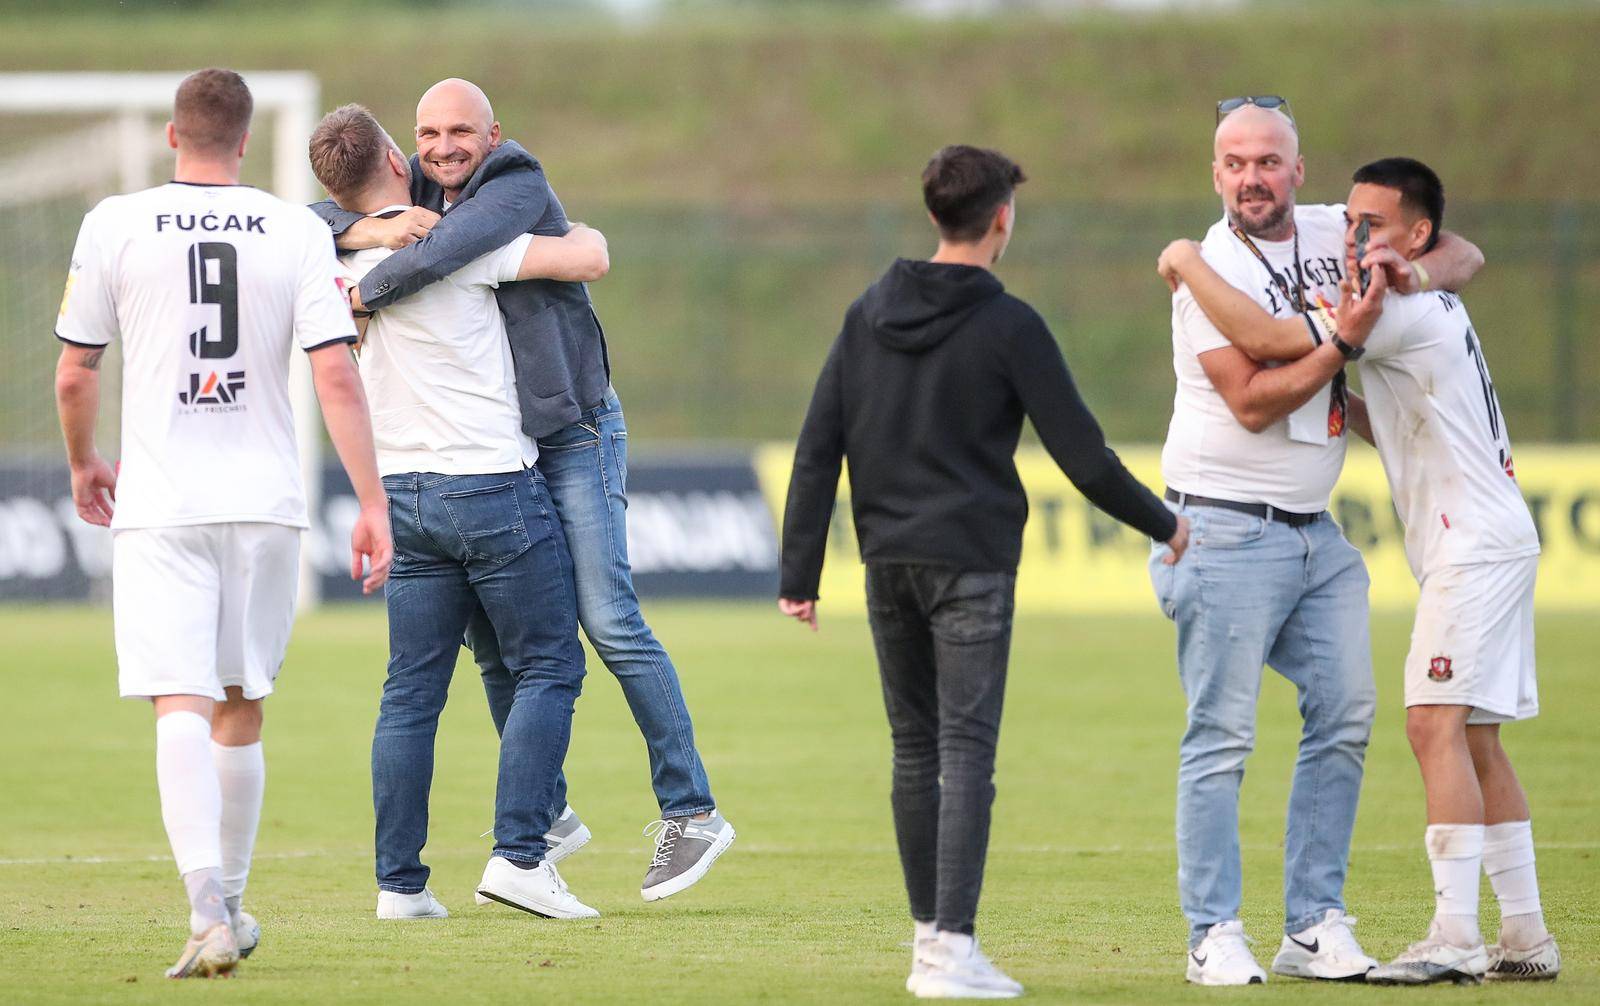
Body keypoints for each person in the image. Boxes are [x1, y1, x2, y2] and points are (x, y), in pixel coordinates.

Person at [778, 145, 1189, 1000]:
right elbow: (1083, 456)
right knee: (965, 753)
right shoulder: (1011, 326)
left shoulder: (866, 314)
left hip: (886, 564)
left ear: (935, 216)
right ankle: (951, 954)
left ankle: (930, 943)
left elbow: (819, 448)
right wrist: (1165, 522)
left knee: (914, 750)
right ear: (1003, 218)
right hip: (969, 564)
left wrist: (800, 573)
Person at [311, 79, 733, 900]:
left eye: (460, 130)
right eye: (429, 132)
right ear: (404, 151)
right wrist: (365, 224)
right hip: (502, 450)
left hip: (573, 427)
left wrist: (360, 288)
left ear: (493, 133)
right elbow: (316, 213)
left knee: (605, 619)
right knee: (503, 645)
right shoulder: (416, 200)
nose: (444, 146)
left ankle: (691, 810)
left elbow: (578, 254)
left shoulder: (514, 185)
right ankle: (544, 817)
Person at [1159, 157, 1559, 985]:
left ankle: (1454, 934)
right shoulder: (1416, 292)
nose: (1354, 237)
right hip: (1494, 531)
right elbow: (1400, 385)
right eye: (1351, 222)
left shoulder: (1391, 305)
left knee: (1431, 726)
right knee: (1476, 735)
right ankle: (1525, 936)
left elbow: (1272, 346)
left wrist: (1187, 263)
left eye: (1374, 227)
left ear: (1416, 237)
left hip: (1472, 544)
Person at [53, 69, 392, 978]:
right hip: (266, 503)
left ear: (174, 136)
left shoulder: (115, 222)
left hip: (163, 504)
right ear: (245, 142)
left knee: (180, 700)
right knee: (241, 706)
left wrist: (87, 462)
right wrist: (370, 502)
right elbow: (334, 375)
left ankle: (204, 904)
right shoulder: (292, 227)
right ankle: (232, 906)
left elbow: (77, 372)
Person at [309, 104, 612, 921]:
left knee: (410, 694)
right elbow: (586, 259)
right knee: (550, 665)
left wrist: (357, 235)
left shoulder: (321, 265)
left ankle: (400, 886)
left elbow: (301, 232)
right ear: (397, 159)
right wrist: (585, 230)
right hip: (489, 487)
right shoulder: (461, 241)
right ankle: (521, 856)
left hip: (401, 493)